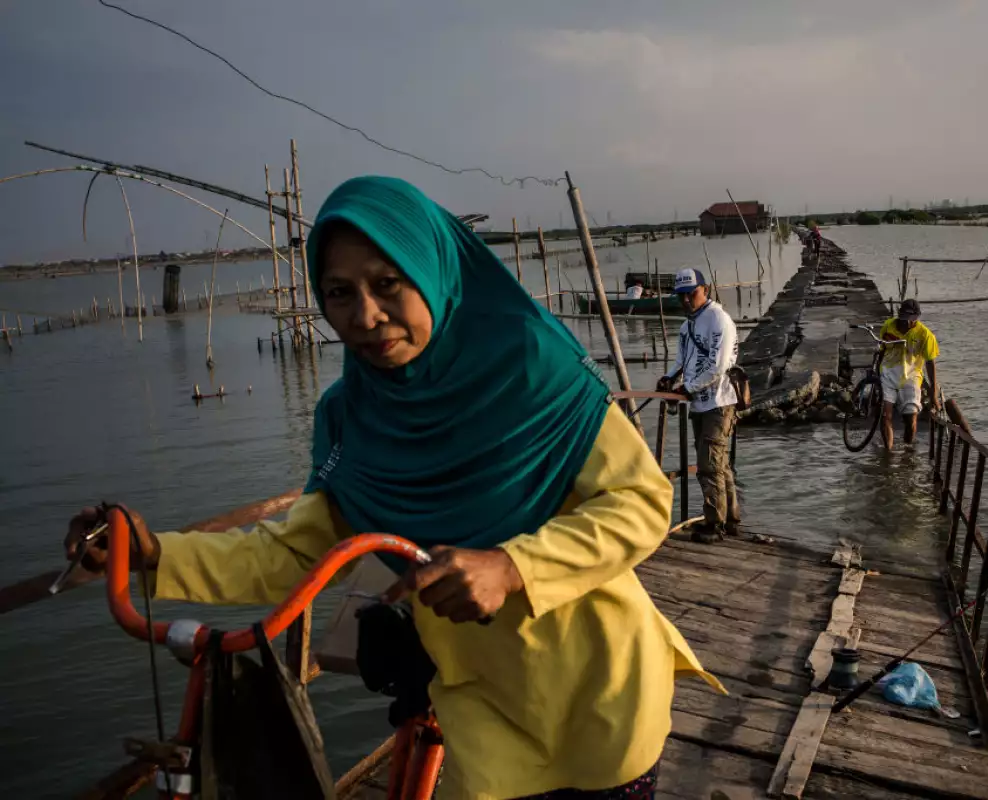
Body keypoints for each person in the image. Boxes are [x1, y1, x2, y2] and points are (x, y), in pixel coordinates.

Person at [65, 177, 719, 799]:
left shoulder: (529, 368)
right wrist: (154, 554)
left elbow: (640, 502)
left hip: (602, 697)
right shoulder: (349, 418)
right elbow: (294, 555)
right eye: (339, 293)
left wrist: (513, 566)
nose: (367, 315)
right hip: (482, 712)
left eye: (387, 284)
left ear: (431, 273)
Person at [656, 268, 740, 544]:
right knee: (719, 463)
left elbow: (718, 366)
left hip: (719, 402)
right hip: (698, 405)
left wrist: (687, 388)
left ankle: (715, 524)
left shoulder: (718, 319)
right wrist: (669, 378)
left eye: (691, 294)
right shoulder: (686, 326)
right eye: (681, 296)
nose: (686, 300)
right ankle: (731, 519)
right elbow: (680, 362)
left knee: (709, 465)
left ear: (705, 290)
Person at [879, 298, 940, 451]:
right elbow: (882, 349)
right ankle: (888, 453)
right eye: (904, 318)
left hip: (911, 377)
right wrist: (876, 371)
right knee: (886, 416)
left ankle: (907, 451)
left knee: (911, 421)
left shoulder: (925, 335)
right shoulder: (888, 326)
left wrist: (933, 393)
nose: (906, 322)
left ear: (916, 318)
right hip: (888, 373)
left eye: (910, 319)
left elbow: (930, 363)